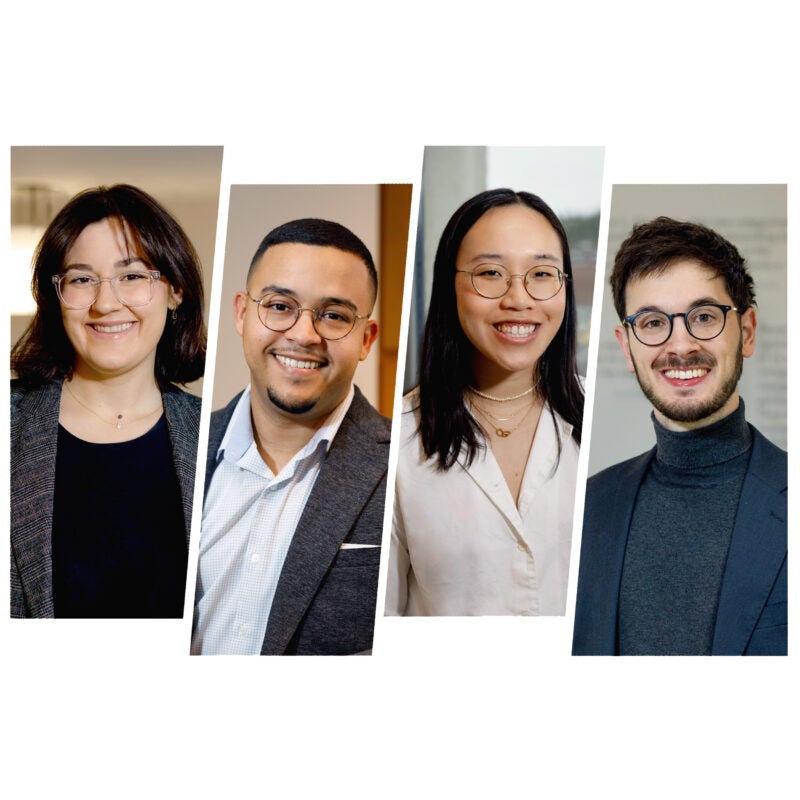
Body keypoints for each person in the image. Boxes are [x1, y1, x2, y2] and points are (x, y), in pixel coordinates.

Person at [572, 216, 787, 656]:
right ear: (627, 346)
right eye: (653, 322)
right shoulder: (587, 508)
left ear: (746, 332)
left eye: (704, 317)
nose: (680, 345)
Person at [191, 217, 389, 655]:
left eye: (334, 316)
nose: (303, 335)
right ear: (242, 313)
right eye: (280, 306)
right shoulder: (182, 448)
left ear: (366, 339)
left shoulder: (405, 470)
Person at [11, 184, 206, 618]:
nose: (105, 303)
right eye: (82, 280)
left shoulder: (212, 441)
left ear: (175, 290)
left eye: (132, 276)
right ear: (56, 297)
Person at [385, 189, 584, 616]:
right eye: (491, 273)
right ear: (449, 286)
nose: (519, 299)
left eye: (542, 273)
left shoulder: (595, 418)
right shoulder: (398, 439)